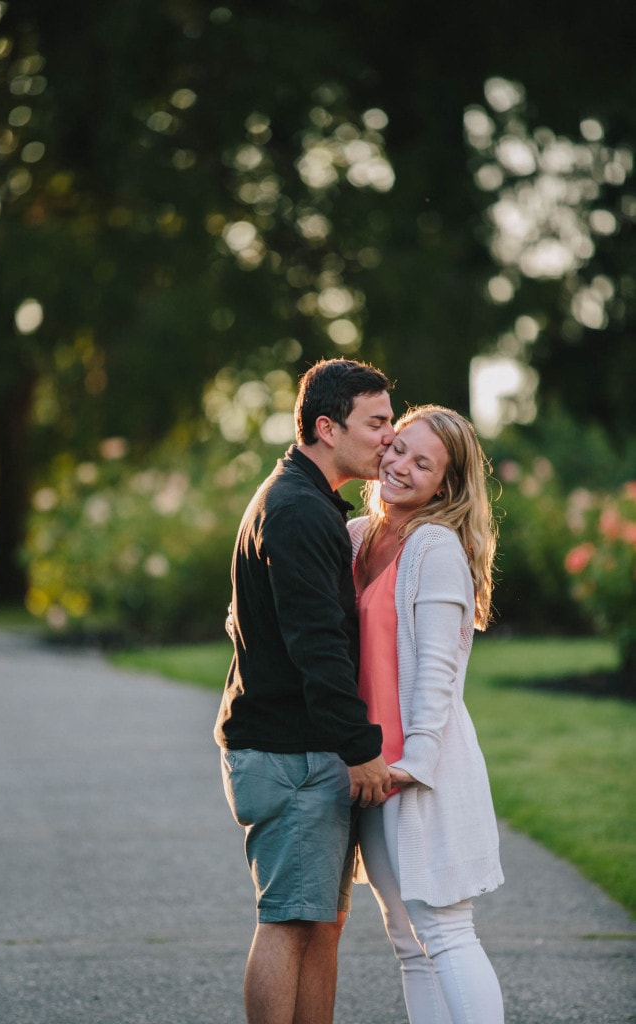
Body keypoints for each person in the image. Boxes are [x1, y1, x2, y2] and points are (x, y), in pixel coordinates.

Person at [214, 357, 395, 1024]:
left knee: (320, 924)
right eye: (375, 422)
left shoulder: (302, 499)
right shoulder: (295, 510)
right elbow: (314, 644)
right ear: (327, 426)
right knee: (289, 922)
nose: (389, 437)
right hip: (288, 753)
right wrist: (358, 747)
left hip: (296, 749)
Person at [348, 404, 505, 1024]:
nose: (400, 466)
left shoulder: (435, 546)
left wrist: (415, 762)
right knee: (408, 943)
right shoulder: (359, 536)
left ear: (446, 485)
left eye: (423, 463)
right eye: (398, 448)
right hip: (369, 770)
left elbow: (439, 672)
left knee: (445, 932)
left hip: (420, 770)